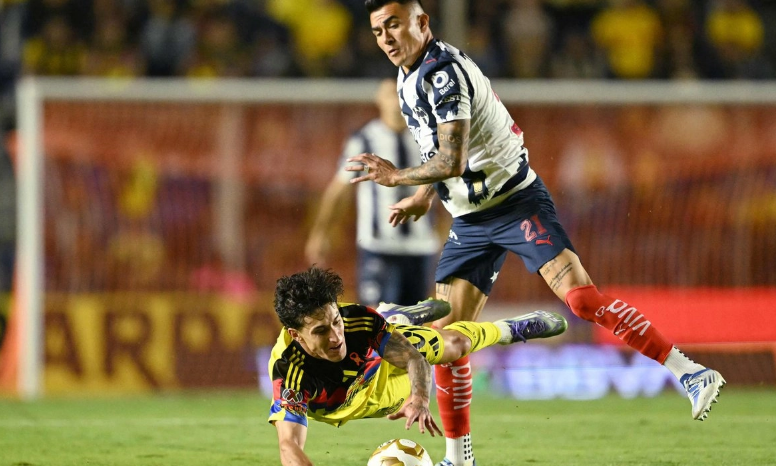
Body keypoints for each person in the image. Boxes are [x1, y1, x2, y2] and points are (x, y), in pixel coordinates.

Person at [350, 2, 725, 465]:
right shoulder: (408, 80)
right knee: (447, 341)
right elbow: (440, 153)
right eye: (377, 30)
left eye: (394, 25)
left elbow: (453, 160)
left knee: (582, 300)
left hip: (516, 204)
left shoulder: (443, 74)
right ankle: (458, 460)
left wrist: (396, 178)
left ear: (421, 23)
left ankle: (690, 372)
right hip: (470, 220)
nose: (386, 38)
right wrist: (424, 196)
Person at [268, 266, 567, 466]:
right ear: (296, 335)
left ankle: (509, 329)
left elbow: (413, 359)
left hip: (378, 371)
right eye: (321, 331)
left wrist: (420, 399)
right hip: (339, 406)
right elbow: (288, 446)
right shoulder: (290, 371)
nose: (336, 336)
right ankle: (396, 317)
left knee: (454, 345)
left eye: (336, 321)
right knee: (397, 335)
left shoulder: (357, 320)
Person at [305, 78, 440, 307]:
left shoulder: (429, 137)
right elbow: (340, 189)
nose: (396, 102)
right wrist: (321, 233)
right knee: (375, 318)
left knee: (412, 322)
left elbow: (444, 185)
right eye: (390, 95)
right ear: (379, 100)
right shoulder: (364, 139)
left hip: (421, 246)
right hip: (378, 247)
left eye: (401, 95)